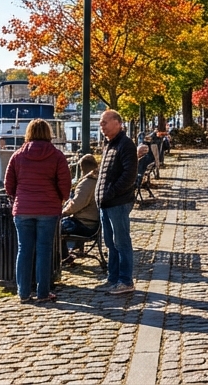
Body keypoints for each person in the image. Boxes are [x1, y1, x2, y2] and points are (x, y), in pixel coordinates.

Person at [5, 118, 71, 303]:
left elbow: (8, 184)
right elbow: (65, 183)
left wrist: (17, 198)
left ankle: (23, 293)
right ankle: (43, 292)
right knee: (44, 251)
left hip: (23, 209)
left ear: (29, 133)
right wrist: (60, 198)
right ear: (48, 134)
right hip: (48, 209)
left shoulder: (17, 156)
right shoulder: (57, 155)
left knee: (24, 250)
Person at [95, 109, 138, 295]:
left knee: (121, 242)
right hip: (106, 202)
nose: (101, 126)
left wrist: (111, 193)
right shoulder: (109, 144)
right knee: (111, 243)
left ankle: (125, 280)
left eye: (104, 122)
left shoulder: (125, 145)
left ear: (117, 123)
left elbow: (129, 175)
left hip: (117, 202)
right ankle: (113, 278)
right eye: (101, 123)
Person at [61, 154, 100, 264]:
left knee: (54, 227)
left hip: (85, 224)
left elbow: (77, 204)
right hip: (92, 221)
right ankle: (67, 253)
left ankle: (63, 256)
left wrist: (63, 212)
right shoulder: (97, 180)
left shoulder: (88, 183)